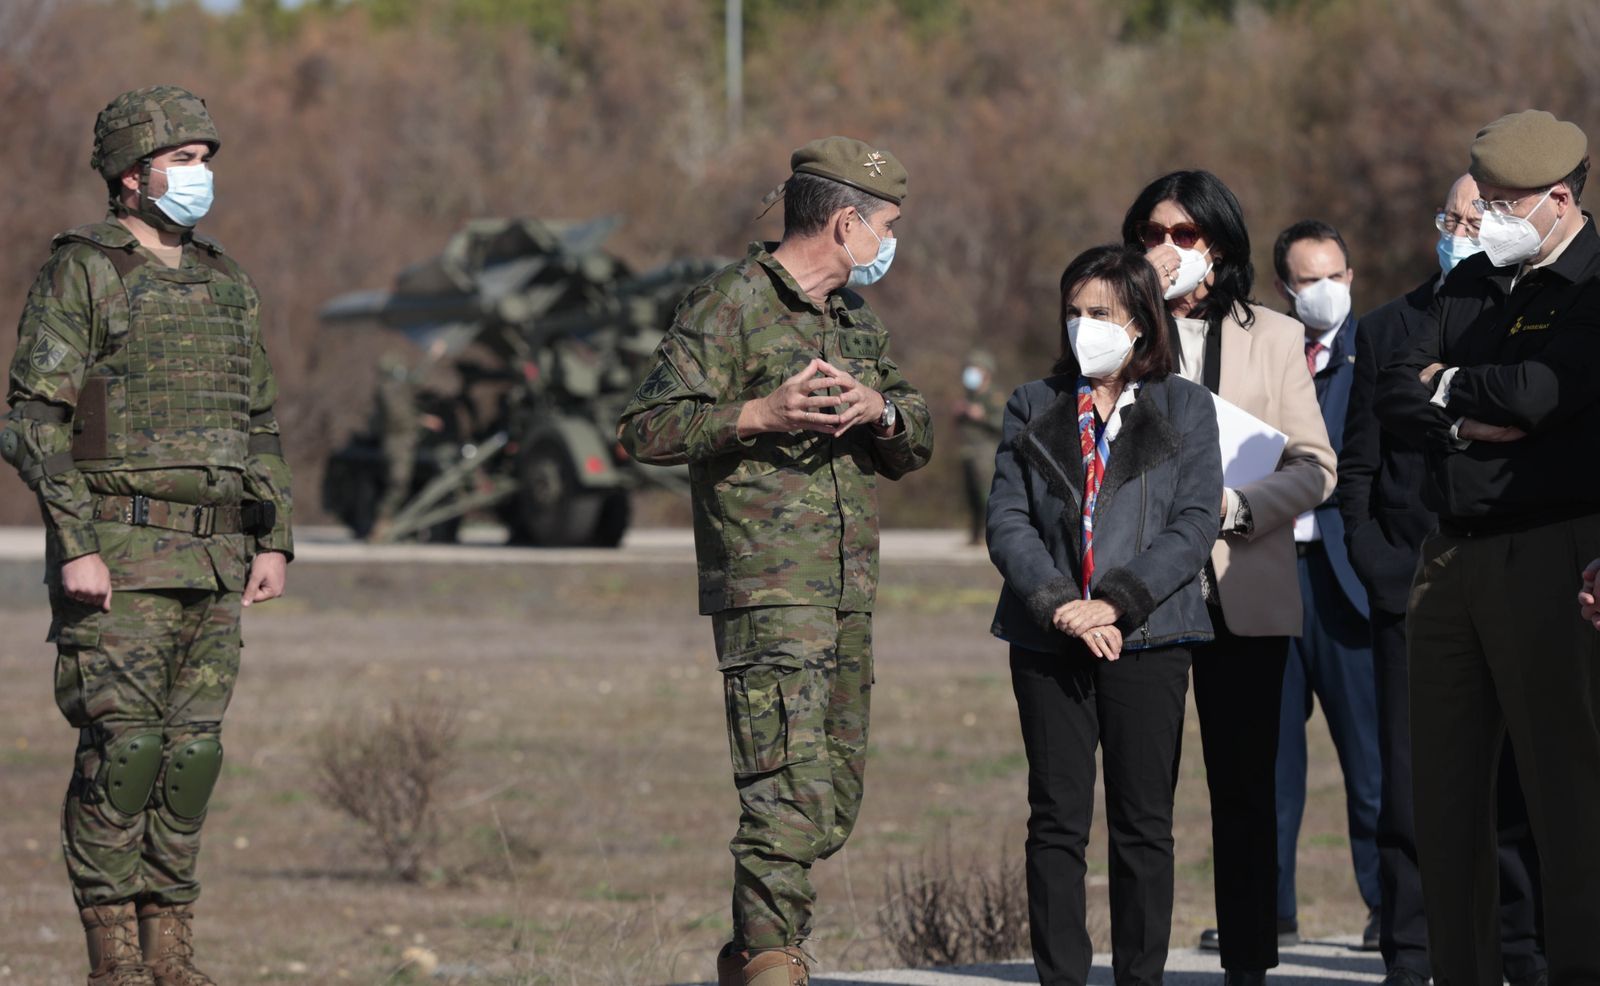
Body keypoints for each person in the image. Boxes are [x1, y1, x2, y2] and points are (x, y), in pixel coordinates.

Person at [617, 136, 932, 986]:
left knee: (830, 798)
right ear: (843, 223)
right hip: (766, 589)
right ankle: (771, 960)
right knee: (783, 792)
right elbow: (644, 427)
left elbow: (917, 434)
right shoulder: (729, 304)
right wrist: (759, 411)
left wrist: (883, 412)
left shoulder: (855, 319)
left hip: (846, 589)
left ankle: (746, 952)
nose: (892, 243)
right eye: (888, 226)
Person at [0, 86, 294, 986]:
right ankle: (115, 963)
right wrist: (76, 544)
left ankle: (174, 959)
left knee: (190, 759)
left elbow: (259, 423)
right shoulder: (83, 270)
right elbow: (29, 419)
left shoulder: (225, 280)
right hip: (119, 559)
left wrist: (274, 536)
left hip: (215, 557)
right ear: (131, 174)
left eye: (207, 160)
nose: (201, 176)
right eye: (183, 160)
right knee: (122, 756)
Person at [1375, 109, 1600, 986]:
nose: (1484, 221)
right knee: (1446, 798)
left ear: (1556, 199)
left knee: (1565, 795)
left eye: (1502, 205)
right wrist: (1467, 414)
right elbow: (1392, 388)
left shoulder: (1590, 282)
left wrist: (1450, 388)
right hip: (1450, 557)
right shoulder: (1468, 283)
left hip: (1552, 550)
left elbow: (1545, 392)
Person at [988, 244, 1221, 986]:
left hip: (1149, 635)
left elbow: (1192, 524)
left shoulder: (1184, 406)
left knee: (1143, 824)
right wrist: (1063, 607)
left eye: (1102, 313)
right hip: (1048, 637)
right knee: (1056, 822)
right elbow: (1008, 521)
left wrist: (1115, 602)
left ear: (1143, 325)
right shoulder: (1033, 403)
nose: (1083, 325)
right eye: (1075, 311)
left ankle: (1140, 977)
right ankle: (1062, 976)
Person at [1123, 170, 1335, 984]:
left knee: (1244, 796)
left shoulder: (1275, 337)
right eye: (1152, 233)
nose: (1166, 249)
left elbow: (1317, 467)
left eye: (1185, 234)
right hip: (1144, 597)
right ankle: (1140, 966)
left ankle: (1251, 965)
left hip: (1241, 591)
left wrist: (1239, 507)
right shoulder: (1113, 329)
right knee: (1144, 802)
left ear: (1219, 242)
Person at [1340, 172, 1546, 986]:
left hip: (1511, 570)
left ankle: (1522, 947)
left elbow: (1538, 418)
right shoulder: (1393, 324)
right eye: (1451, 216)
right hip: (1411, 582)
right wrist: (1376, 562)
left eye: (1477, 215)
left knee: (1516, 787)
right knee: (1411, 786)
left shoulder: (1536, 317)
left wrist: (1445, 400)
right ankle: (1412, 950)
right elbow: (1361, 456)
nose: (1462, 228)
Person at [1268, 220, 1381, 949]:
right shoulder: (1267, 356)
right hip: (1271, 576)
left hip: (1346, 581)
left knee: (1371, 761)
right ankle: (1266, 909)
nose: (1327, 291)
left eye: (1336, 276)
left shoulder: (1373, 354)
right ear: (1285, 288)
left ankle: (1390, 906)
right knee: (1270, 763)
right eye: (1310, 280)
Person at [956, 347, 1004, 545]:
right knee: (972, 495)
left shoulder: (994, 397)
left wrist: (983, 416)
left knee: (987, 495)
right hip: (969, 452)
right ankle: (975, 536)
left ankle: (992, 535)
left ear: (986, 372)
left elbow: (1003, 423)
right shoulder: (969, 397)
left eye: (976, 368)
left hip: (987, 453)